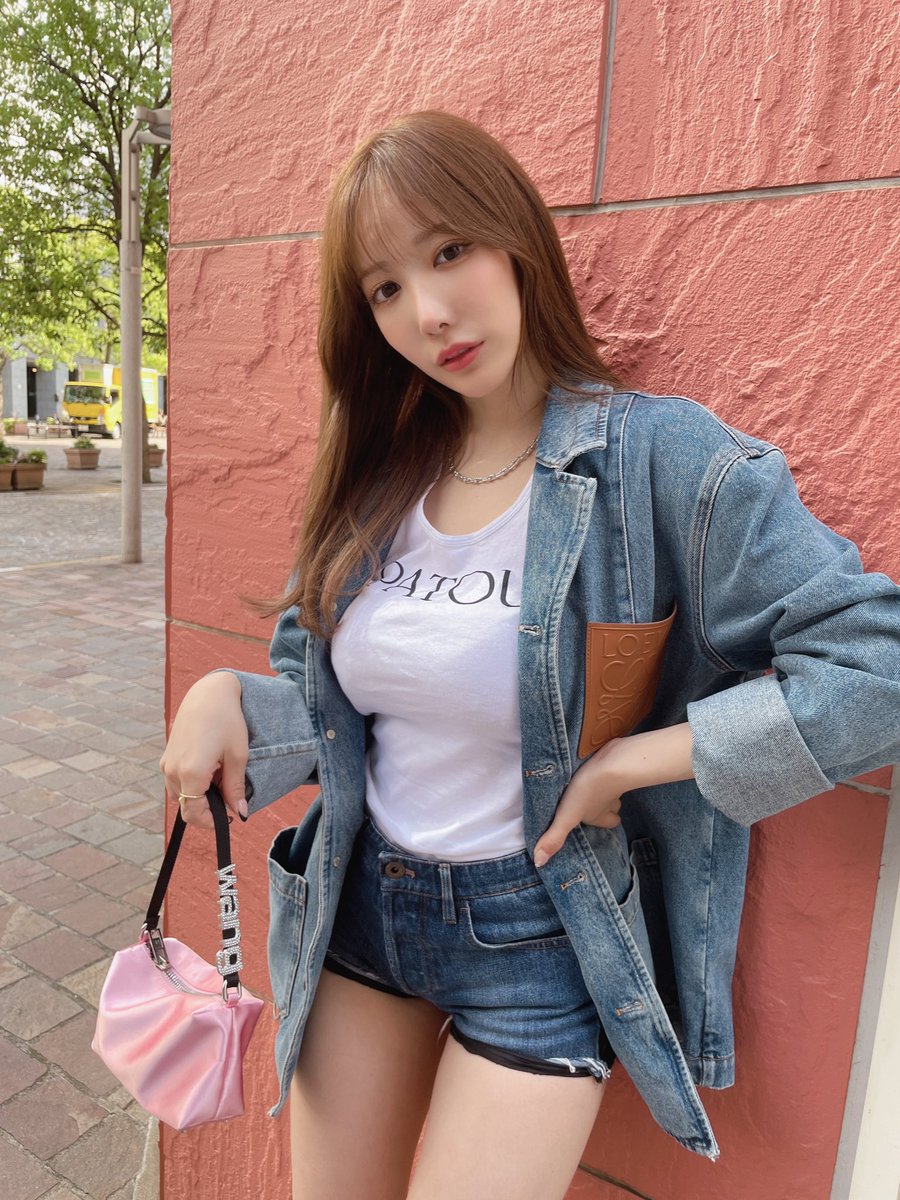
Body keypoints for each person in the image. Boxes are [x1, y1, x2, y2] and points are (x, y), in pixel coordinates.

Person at [160, 112, 900, 1199]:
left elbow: (877, 671)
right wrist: (225, 695)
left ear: (516, 239)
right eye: (385, 288)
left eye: (450, 249)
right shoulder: (381, 475)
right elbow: (348, 715)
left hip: (541, 928)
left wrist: (636, 762)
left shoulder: (659, 461)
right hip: (359, 903)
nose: (430, 312)